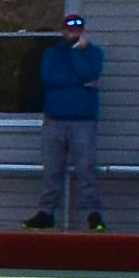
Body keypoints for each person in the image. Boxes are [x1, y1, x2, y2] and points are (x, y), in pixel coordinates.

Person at [31, 13, 106, 227]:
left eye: (78, 29)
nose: (74, 32)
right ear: (63, 30)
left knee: (85, 168)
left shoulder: (94, 53)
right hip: (54, 118)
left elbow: (89, 73)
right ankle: (45, 212)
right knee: (52, 169)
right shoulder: (51, 54)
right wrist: (80, 82)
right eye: (70, 29)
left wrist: (77, 53)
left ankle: (93, 214)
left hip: (83, 120)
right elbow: (49, 78)